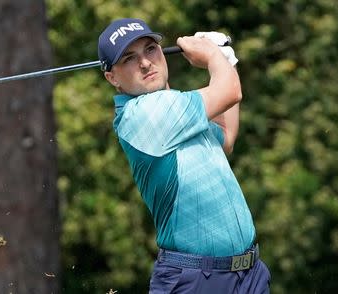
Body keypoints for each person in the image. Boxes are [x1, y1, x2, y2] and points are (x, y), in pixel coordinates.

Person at [98, 18, 271, 293]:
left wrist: (226, 59)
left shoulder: (179, 111)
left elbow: (225, 137)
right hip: (194, 279)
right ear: (112, 78)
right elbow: (230, 91)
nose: (145, 63)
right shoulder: (142, 114)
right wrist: (214, 54)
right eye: (129, 58)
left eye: (150, 49)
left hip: (248, 274)